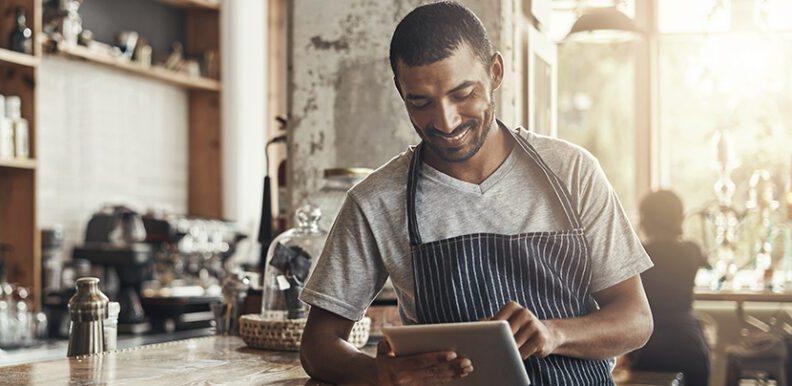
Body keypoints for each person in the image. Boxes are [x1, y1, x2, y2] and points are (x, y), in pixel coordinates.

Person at [297, 2, 655, 385]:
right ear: (401, 91)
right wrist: (378, 373)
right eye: (420, 102)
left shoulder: (573, 172)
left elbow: (636, 320)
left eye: (463, 94)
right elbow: (318, 345)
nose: (445, 121)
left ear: (495, 72)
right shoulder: (376, 201)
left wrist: (554, 333)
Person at [630, 190, 711, 386]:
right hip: (689, 341)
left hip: (649, 344)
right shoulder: (692, 250)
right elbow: (710, 265)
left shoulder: (639, 254)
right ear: (679, 217)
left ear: (646, 219)